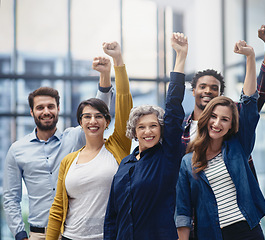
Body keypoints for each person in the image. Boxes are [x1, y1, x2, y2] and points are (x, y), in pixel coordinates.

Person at [2, 46, 117, 240]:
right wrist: (21, 235)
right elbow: (10, 198)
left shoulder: (74, 137)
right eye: (40, 107)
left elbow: (98, 111)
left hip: (71, 232)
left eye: (50, 106)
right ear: (32, 112)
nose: (46, 111)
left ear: (58, 109)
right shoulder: (17, 150)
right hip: (38, 234)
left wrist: (104, 76)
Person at [176, 40, 265, 239]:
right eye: (213, 117)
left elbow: (250, 103)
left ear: (231, 125)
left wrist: (250, 57)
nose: (217, 123)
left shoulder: (238, 147)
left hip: (248, 231)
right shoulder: (187, 162)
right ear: (205, 119)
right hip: (211, 234)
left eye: (224, 119)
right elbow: (182, 209)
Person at [103, 32, 188, 240]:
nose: (148, 131)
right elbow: (112, 216)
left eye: (153, 126)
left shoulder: (167, 156)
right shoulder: (125, 164)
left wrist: (181, 57)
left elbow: (174, 109)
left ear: (161, 129)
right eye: (141, 127)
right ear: (134, 131)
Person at [45, 42, 133, 240]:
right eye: (87, 116)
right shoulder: (69, 161)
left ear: (107, 121)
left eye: (98, 116)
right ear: (80, 122)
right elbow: (58, 208)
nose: (93, 121)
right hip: (71, 237)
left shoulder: (118, 146)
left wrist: (118, 60)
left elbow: (124, 100)